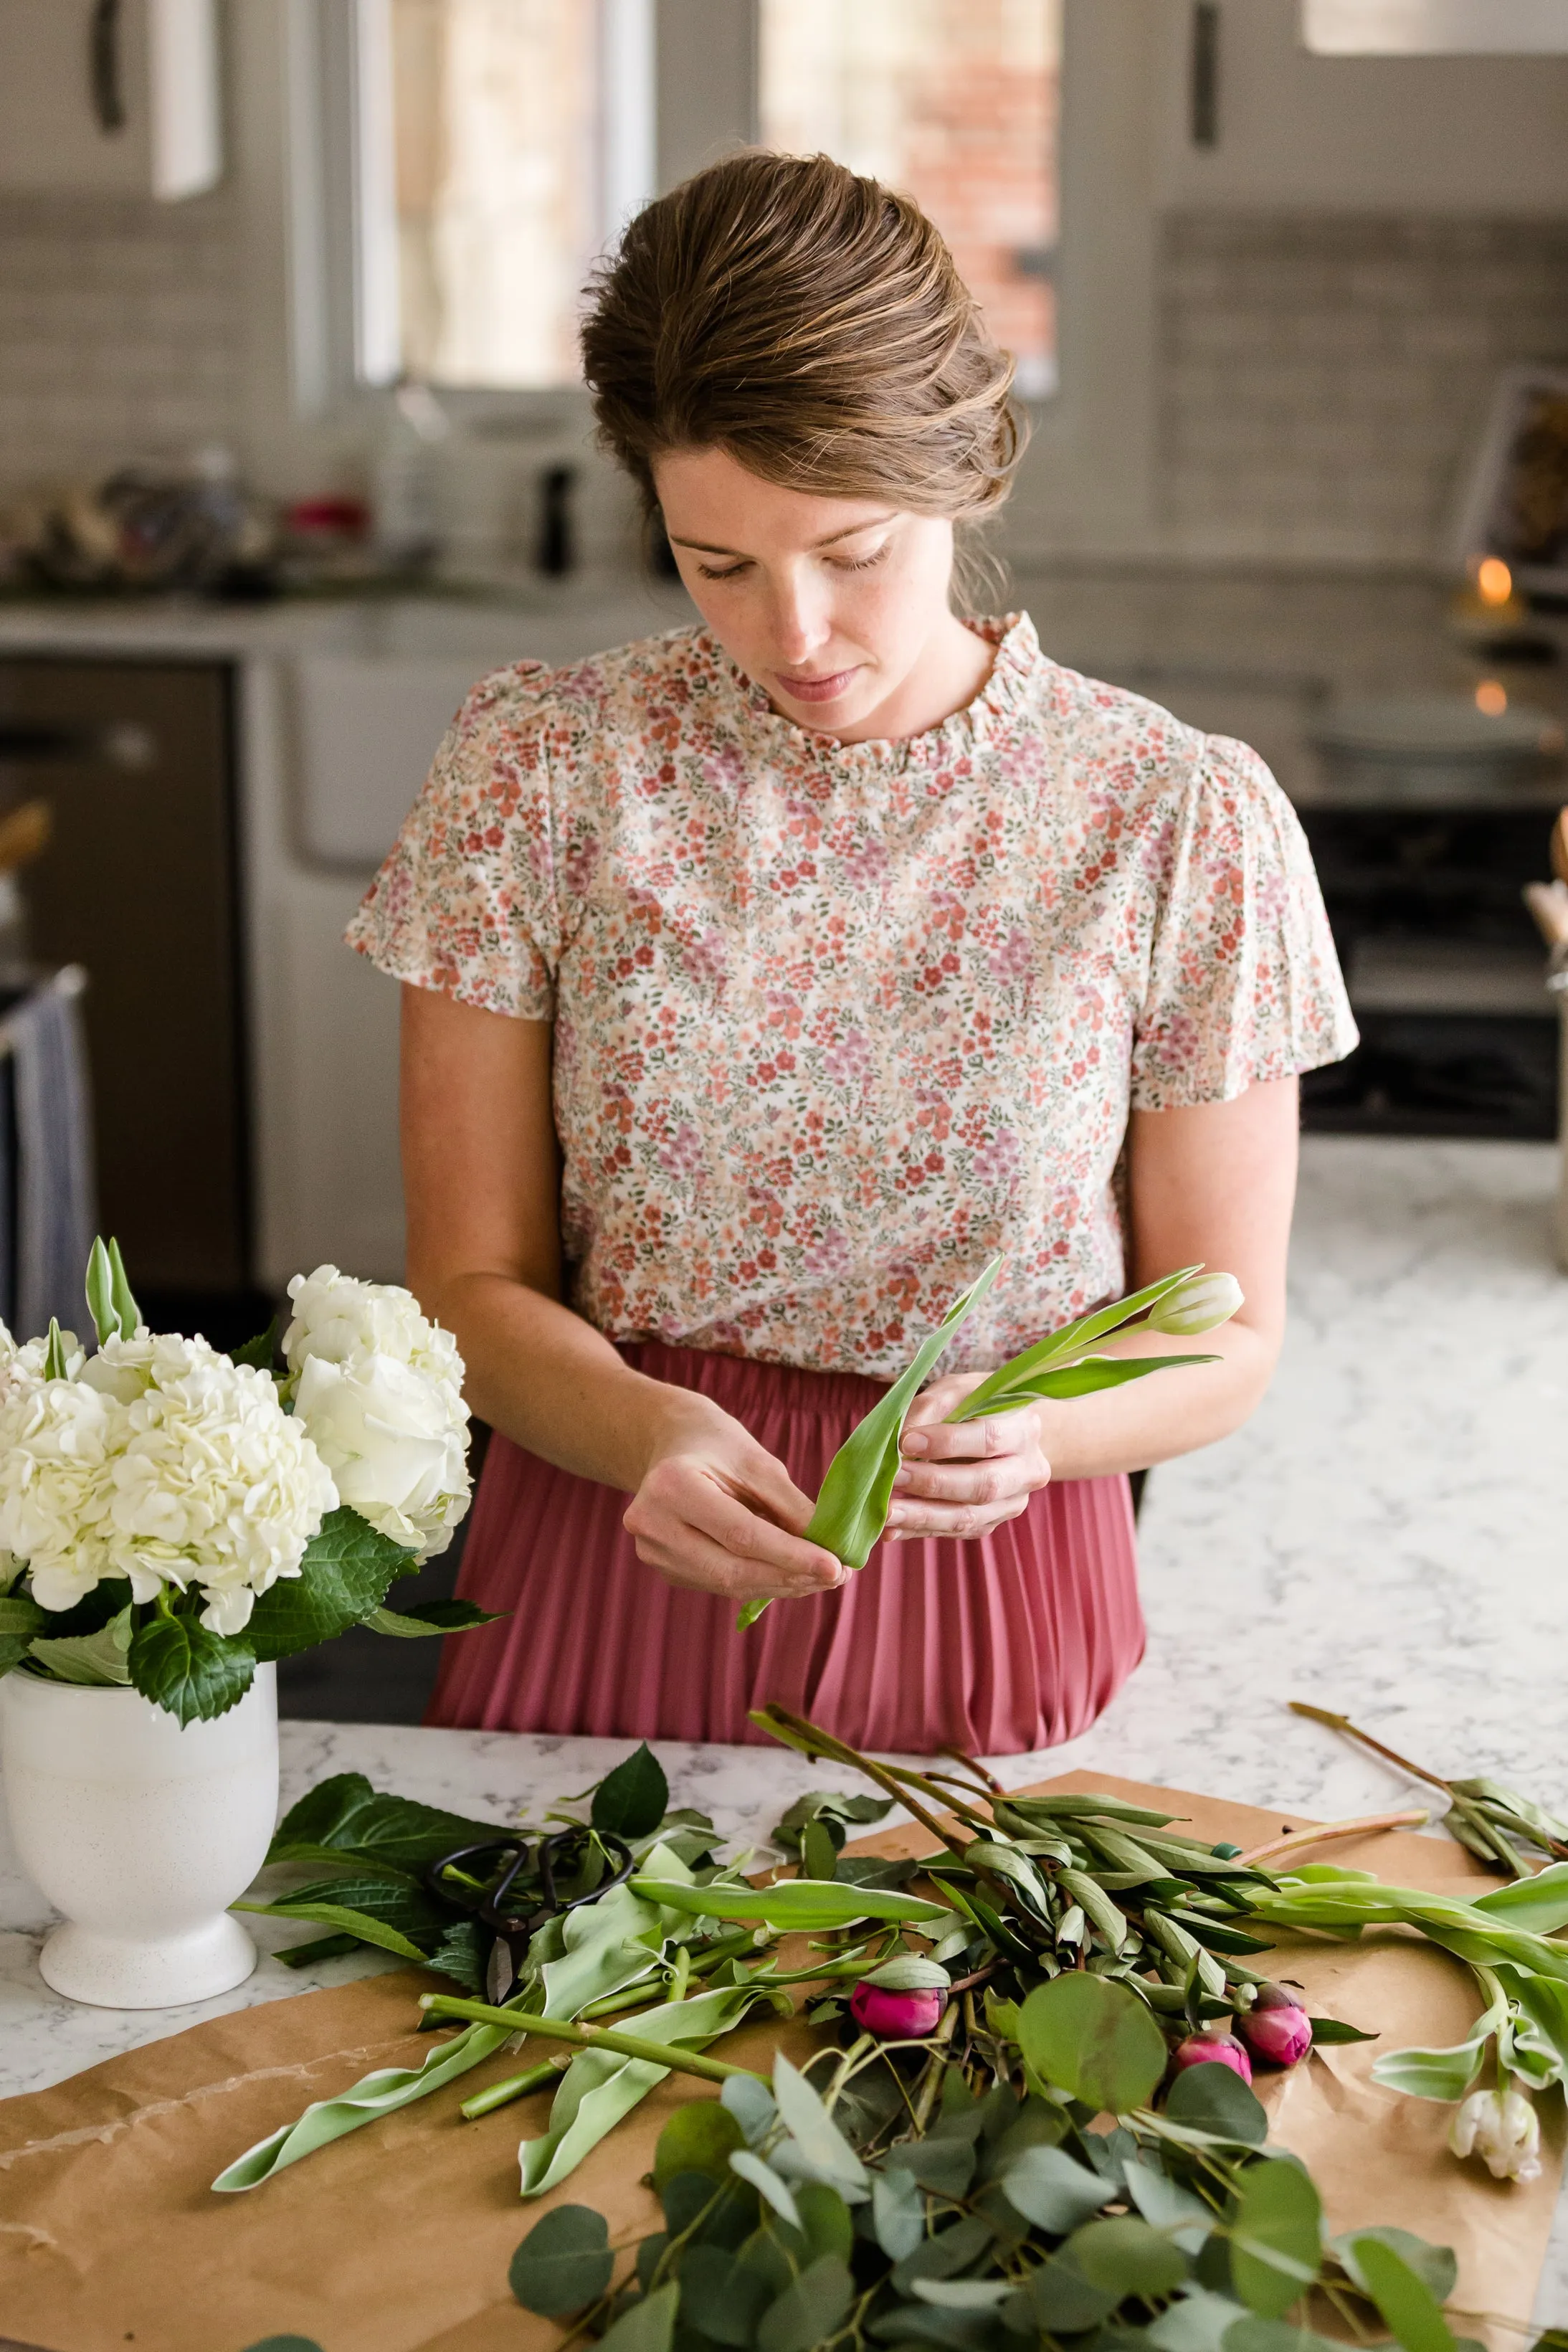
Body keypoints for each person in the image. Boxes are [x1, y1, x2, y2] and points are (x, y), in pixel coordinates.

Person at [348, 151, 1356, 1755]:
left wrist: (1040, 1433)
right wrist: (649, 1425)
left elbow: (1223, 1330)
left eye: (854, 550)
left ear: (964, 471)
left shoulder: (1173, 819)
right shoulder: (542, 770)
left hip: (992, 1566)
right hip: (624, 1527)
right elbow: (469, 1285)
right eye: (718, 564)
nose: (794, 634)